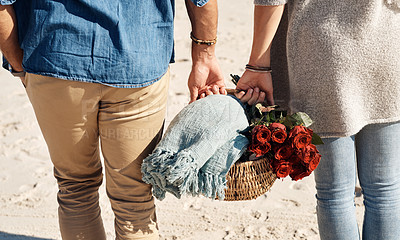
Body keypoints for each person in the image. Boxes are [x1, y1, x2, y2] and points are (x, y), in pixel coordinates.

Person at [0, 0, 226, 239]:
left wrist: (18, 65)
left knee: (75, 188)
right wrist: (205, 54)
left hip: (56, 56)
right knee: (135, 198)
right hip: (139, 58)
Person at [236, 1, 400, 240]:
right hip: (387, 44)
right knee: (385, 190)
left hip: (322, 54)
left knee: (335, 193)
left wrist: (257, 66)